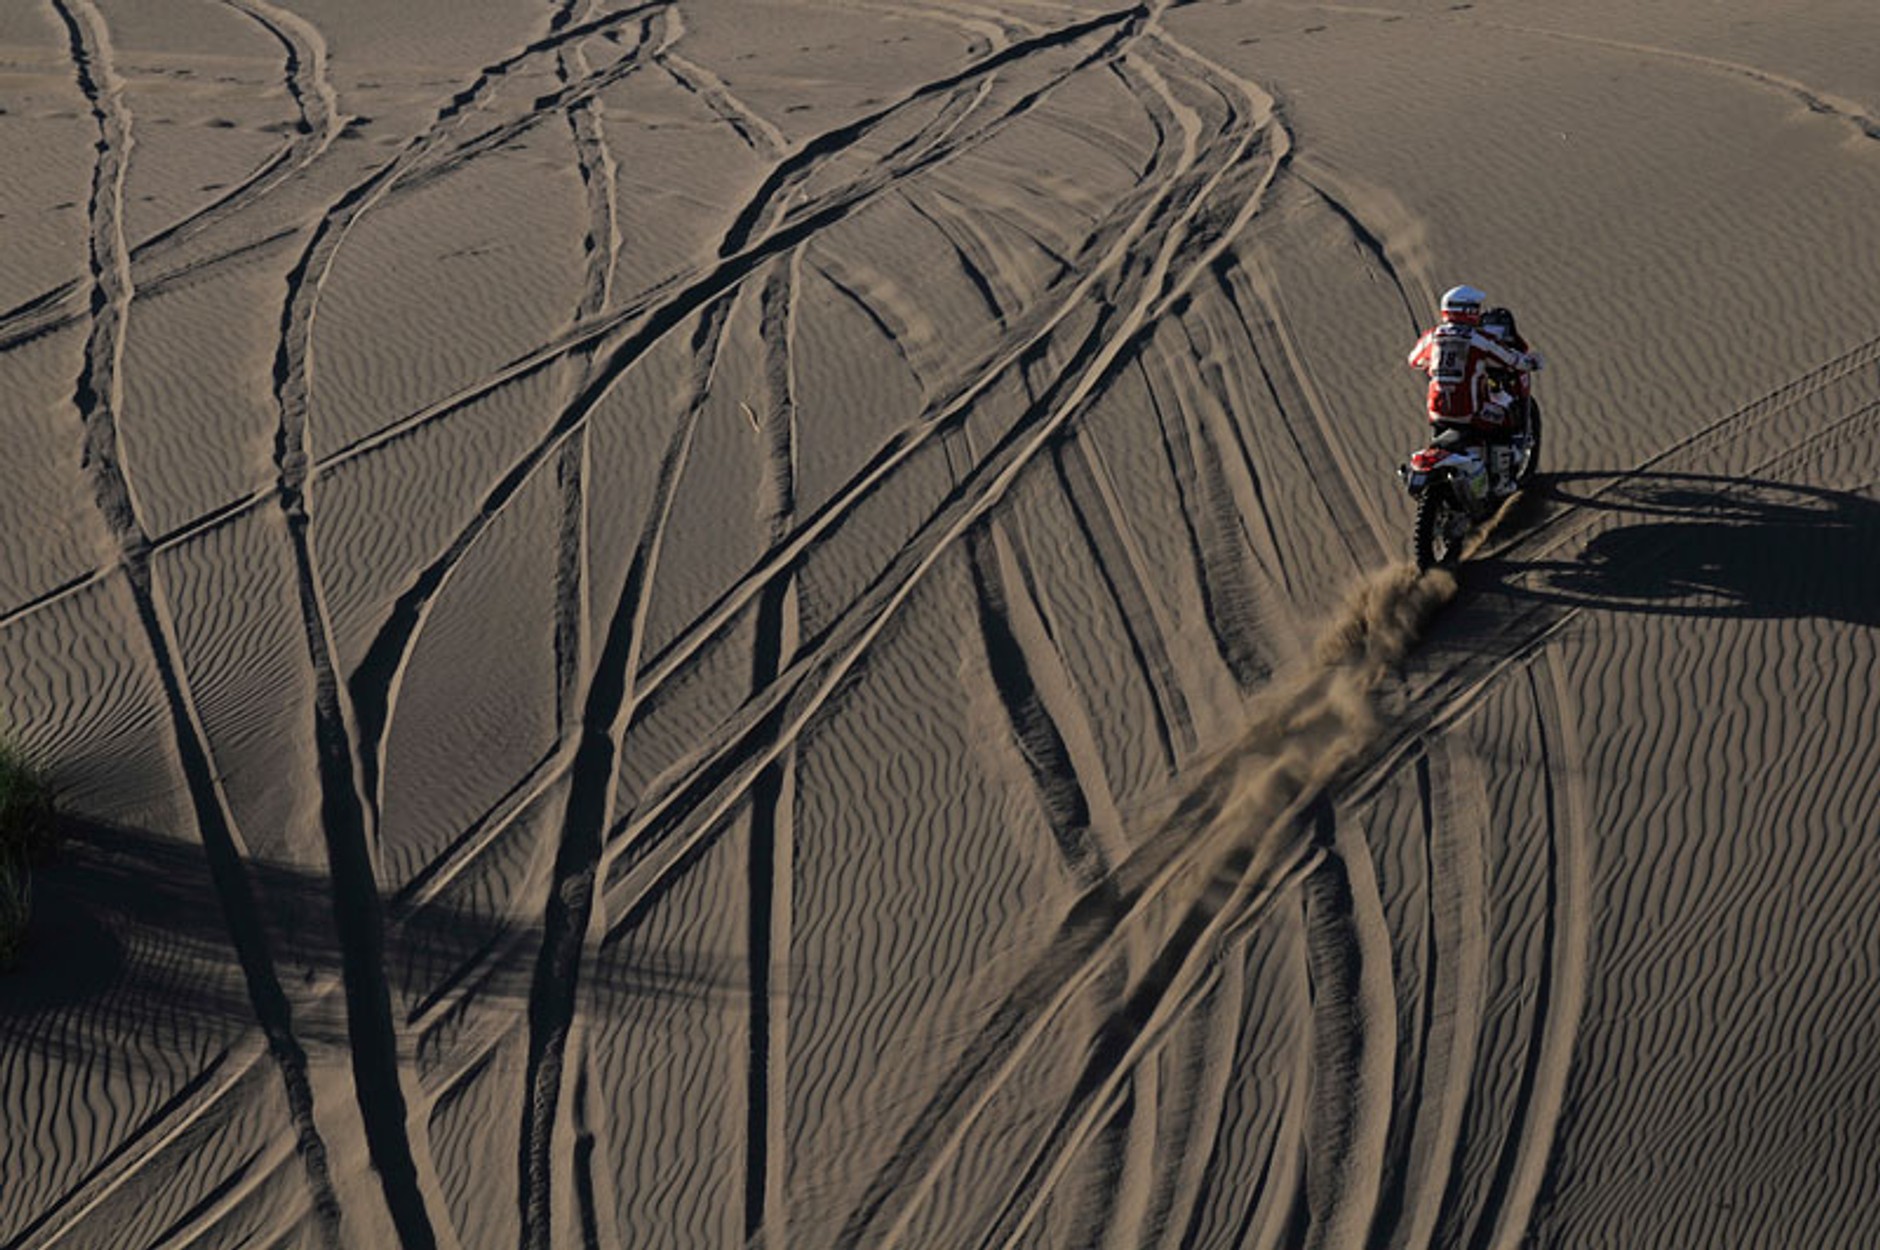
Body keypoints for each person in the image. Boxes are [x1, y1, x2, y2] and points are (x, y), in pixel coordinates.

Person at [1407, 285, 1544, 496]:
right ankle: (1502, 484)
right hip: (1468, 412)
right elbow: (1511, 359)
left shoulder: (1432, 335)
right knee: (1506, 418)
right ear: (1468, 311)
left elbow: (1414, 360)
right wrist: (1531, 362)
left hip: (1437, 411)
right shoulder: (1477, 338)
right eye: (1475, 308)